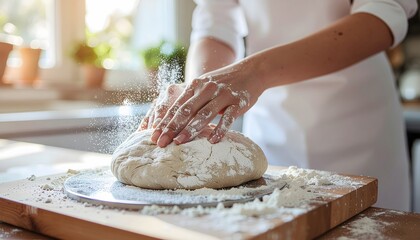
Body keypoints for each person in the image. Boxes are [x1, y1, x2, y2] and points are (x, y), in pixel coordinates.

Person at [139, 0, 418, 211]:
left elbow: (383, 13)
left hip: (359, 127)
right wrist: (201, 90)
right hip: (270, 132)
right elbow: (215, 26)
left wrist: (256, 72)